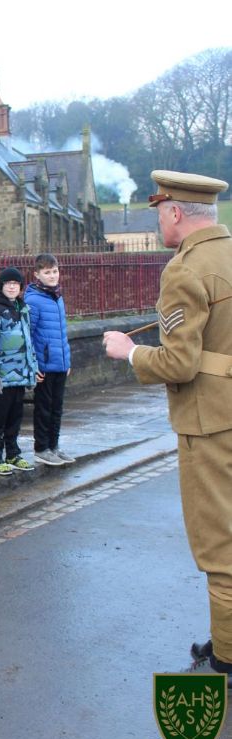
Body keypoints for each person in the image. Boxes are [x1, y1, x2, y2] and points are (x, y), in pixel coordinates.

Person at [103, 170, 232, 677]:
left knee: (218, 544)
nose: (158, 220)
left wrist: (131, 352)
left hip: (209, 421)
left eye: (159, 210)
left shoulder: (185, 270)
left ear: (176, 211)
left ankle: (226, 657)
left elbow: (179, 364)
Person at [0, 267, 39, 475]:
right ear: (2, 285)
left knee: (16, 416)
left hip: (21, 374)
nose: (12, 286)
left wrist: (32, 369)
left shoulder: (23, 309)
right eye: (8, 283)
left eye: (16, 283)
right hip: (3, 375)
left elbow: (28, 342)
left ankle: (13, 453)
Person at [24, 253, 74, 467]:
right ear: (37, 274)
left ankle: (54, 446)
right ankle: (41, 448)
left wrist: (67, 360)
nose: (52, 276)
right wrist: (33, 364)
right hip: (44, 365)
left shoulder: (57, 296)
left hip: (60, 362)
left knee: (57, 407)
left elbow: (62, 333)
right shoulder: (33, 299)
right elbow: (28, 334)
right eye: (47, 272)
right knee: (43, 407)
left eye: (55, 271)